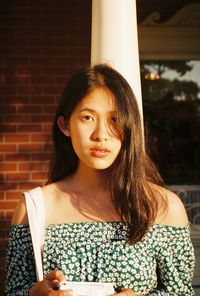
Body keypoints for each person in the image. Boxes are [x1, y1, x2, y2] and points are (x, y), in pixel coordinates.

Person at [5, 64, 195, 296]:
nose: (100, 134)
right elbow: (14, 290)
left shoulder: (164, 207)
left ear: (130, 125)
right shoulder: (33, 207)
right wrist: (35, 293)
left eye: (114, 119)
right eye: (87, 117)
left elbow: (180, 292)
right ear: (65, 125)